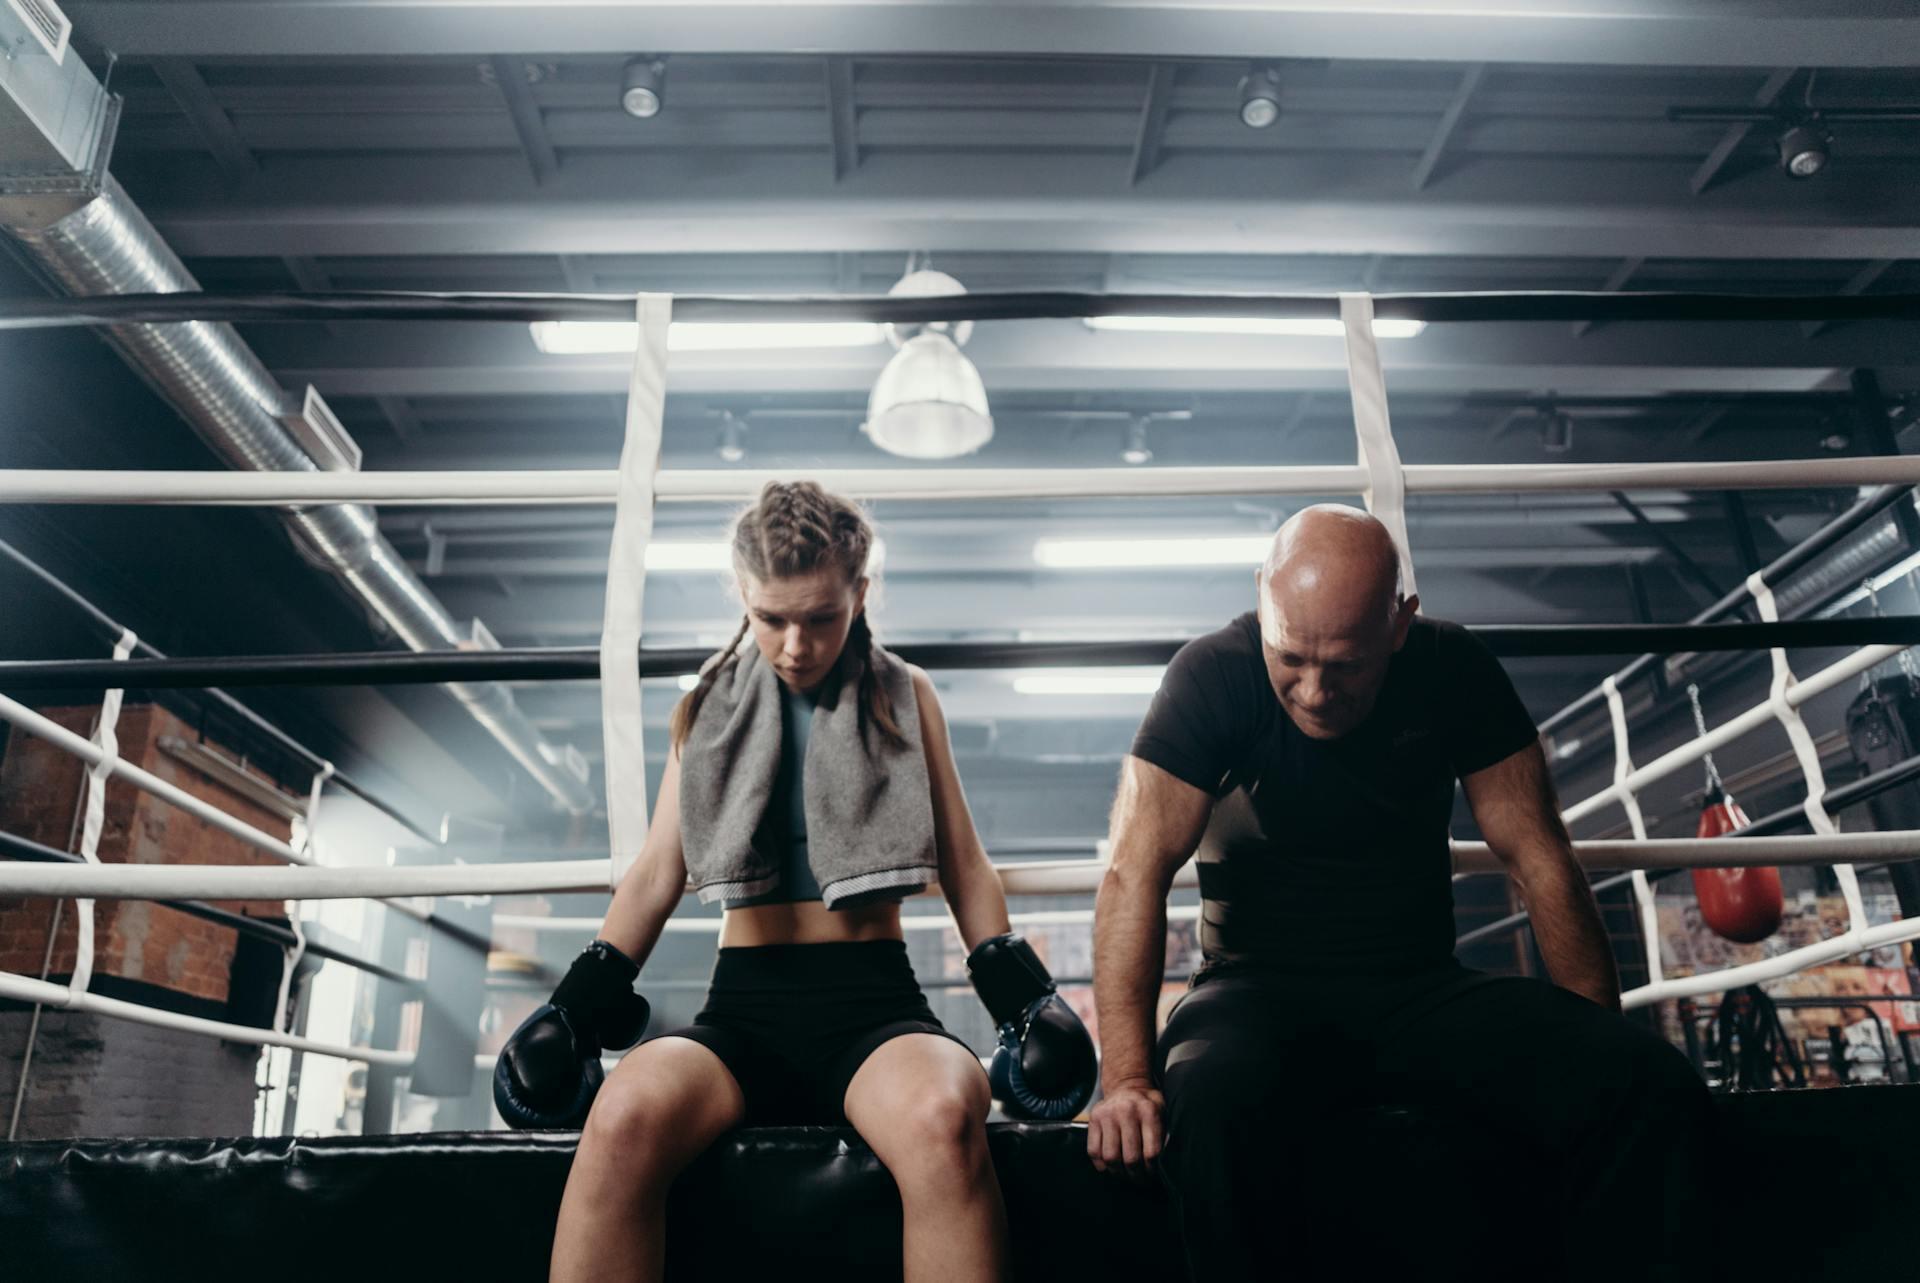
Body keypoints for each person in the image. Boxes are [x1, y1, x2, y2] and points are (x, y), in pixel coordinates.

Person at [1086, 504, 1715, 1282]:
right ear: (1262, 597)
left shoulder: (1454, 668)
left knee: (1645, 1082)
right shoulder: (1213, 674)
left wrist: (1588, 1044)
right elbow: (1133, 870)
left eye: (1344, 665)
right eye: (1291, 658)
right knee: (1211, 1107)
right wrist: (1125, 1081)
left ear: (1400, 622)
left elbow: (1539, 854)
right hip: (1251, 990)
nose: (1313, 691)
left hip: (1418, 987)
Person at [492, 480, 1096, 1283]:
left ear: (860, 593)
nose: (795, 644)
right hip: (743, 1009)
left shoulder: (906, 696)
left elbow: (965, 864)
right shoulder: (706, 707)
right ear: (741, 597)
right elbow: (654, 876)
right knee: (622, 1116)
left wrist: (1025, 997)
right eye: (770, 618)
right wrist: (573, 1006)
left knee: (947, 1117)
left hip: (875, 1006)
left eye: (820, 617)